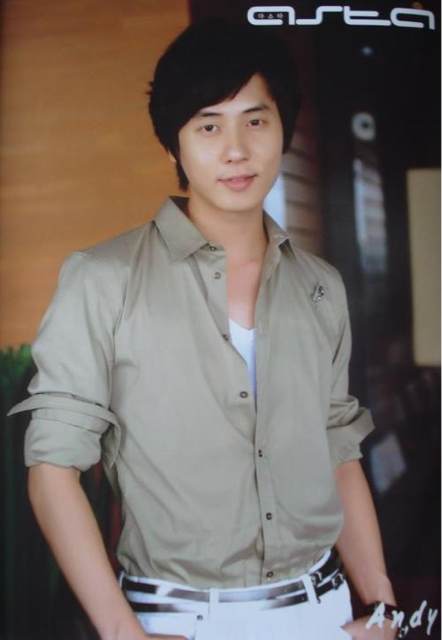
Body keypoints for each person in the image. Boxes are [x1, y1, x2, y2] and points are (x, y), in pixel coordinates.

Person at [9, 18, 399, 640]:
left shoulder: (320, 286)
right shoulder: (103, 279)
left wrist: (382, 608)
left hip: (324, 611)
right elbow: (53, 470)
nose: (236, 150)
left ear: (284, 130)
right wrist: (121, 632)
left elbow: (337, 446)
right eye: (209, 126)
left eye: (256, 121)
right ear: (174, 146)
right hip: (179, 620)